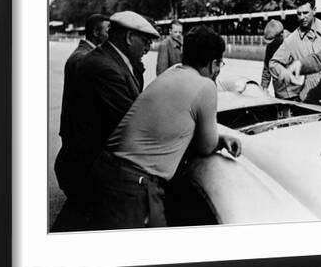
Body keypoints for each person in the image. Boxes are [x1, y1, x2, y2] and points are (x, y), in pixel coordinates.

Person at [89, 25, 242, 230]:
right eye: (220, 64)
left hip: (105, 170)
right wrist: (219, 140)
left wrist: (220, 139)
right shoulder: (206, 86)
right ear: (214, 64)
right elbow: (205, 146)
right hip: (134, 185)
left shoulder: (172, 71)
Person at [52, 11, 160, 231]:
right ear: (129, 38)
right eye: (145, 41)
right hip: (90, 176)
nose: (148, 48)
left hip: (92, 172)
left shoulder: (113, 61)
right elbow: (133, 121)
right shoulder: (104, 67)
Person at [269, 0, 321, 102]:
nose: (302, 17)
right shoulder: (291, 41)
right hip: (311, 99)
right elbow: (273, 63)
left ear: (314, 10)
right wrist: (284, 72)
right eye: (299, 14)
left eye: (306, 13)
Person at [58, 14, 110, 161]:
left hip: (78, 134)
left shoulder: (83, 55)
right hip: (80, 137)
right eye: (108, 30)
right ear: (96, 32)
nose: (111, 35)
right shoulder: (84, 59)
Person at [260, 19, 286, 96]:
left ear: (280, 35)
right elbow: (267, 68)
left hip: (295, 91)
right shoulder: (270, 47)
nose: (271, 44)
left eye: (273, 41)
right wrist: (264, 88)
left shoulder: (292, 41)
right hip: (279, 91)